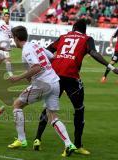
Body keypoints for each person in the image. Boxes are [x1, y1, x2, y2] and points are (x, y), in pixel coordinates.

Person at [34, 19, 118, 155]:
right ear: (85, 30)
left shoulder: (63, 37)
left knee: (48, 108)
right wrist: (111, 67)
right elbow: (93, 53)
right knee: (79, 109)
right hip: (71, 76)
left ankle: (37, 139)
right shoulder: (87, 38)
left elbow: (47, 50)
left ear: (73, 28)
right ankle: (78, 145)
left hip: (55, 75)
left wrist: (48, 65)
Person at [7, 26, 76, 157]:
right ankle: (68, 144)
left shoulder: (26, 50)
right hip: (55, 82)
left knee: (17, 105)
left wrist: (18, 77)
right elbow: (52, 57)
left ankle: (21, 140)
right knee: (53, 117)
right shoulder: (34, 45)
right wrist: (31, 74)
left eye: (13, 38)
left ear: (16, 38)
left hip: (42, 84)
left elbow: (37, 67)